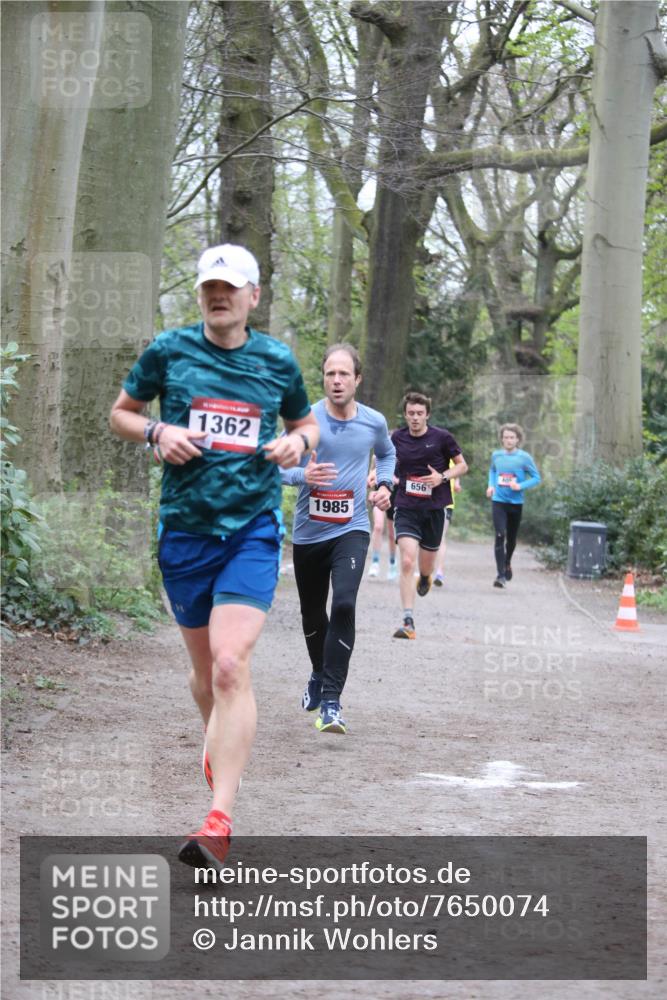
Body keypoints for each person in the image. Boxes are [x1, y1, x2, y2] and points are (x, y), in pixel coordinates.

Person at [109, 243, 319, 868]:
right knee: (205, 677)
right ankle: (217, 742)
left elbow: (307, 425)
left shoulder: (277, 361)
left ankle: (218, 820)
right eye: (208, 288)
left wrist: (295, 444)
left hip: (252, 528)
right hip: (185, 533)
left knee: (231, 665)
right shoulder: (169, 352)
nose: (218, 295)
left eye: (230, 287)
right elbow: (122, 413)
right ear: (200, 295)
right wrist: (158, 430)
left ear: (254, 296)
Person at [280, 344, 395, 734]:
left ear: (357, 379)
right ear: (324, 378)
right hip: (309, 533)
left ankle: (331, 701)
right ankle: (317, 672)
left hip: (352, 528)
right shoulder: (305, 419)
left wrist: (383, 485)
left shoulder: (374, 422)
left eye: (344, 373)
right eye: (330, 373)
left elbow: (388, 455)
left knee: (344, 603)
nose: (337, 380)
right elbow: (278, 466)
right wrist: (303, 476)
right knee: (313, 614)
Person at [391, 392, 467, 639]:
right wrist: (377, 478)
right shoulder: (397, 438)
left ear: (427, 415)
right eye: (411, 413)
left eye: (419, 414)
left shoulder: (442, 438)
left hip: (434, 509)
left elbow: (462, 466)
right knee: (406, 561)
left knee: (425, 565)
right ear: (405, 414)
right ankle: (408, 621)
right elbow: (384, 462)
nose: (415, 418)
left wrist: (442, 477)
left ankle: (425, 577)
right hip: (406, 507)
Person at [486, 423, 541, 588]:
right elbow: (493, 471)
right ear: (502, 439)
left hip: (516, 503)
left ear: (517, 439)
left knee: (511, 539)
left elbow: (536, 477)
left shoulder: (524, 458)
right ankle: (500, 575)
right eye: (505, 437)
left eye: (511, 437)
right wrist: (491, 485)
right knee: (499, 535)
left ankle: (507, 561)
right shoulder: (496, 455)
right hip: (498, 501)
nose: (508, 440)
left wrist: (520, 486)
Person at [433, 465, 462, 587]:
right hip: (428, 502)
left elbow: (457, 475)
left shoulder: (454, 459)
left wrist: (456, 484)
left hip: (446, 503)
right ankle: (425, 570)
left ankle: (439, 572)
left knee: (441, 537)